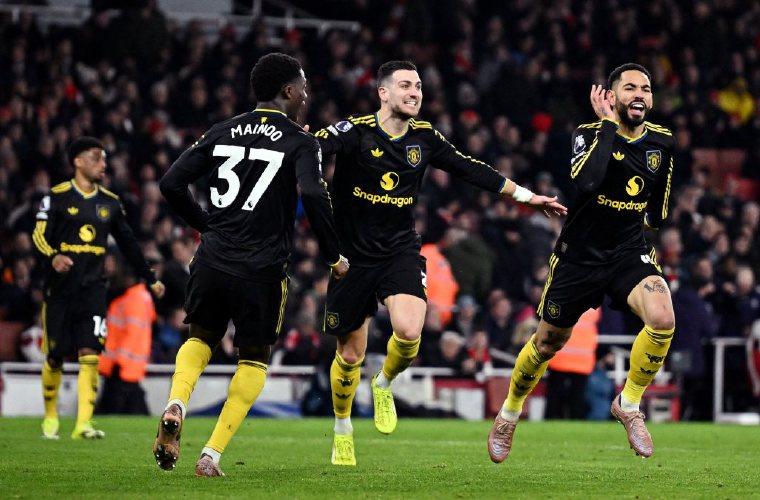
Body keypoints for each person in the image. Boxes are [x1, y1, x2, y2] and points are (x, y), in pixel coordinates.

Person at [314, 60, 566, 466]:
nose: (415, 92)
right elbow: (312, 149)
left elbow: (471, 169)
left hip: (399, 251)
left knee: (409, 332)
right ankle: (343, 428)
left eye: (418, 86)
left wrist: (526, 197)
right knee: (349, 355)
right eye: (405, 85)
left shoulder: (425, 137)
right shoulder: (354, 132)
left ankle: (384, 382)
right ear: (383, 93)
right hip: (352, 257)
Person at [153, 53, 348, 477]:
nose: (307, 96)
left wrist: (205, 225)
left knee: (201, 338)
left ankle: (177, 403)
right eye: (303, 88)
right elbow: (314, 195)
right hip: (262, 269)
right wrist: (333, 255)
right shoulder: (300, 141)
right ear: (288, 91)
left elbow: (170, 182)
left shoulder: (222, 129)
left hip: (212, 258)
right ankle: (211, 454)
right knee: (254, 359)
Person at [488, 63, 676, 462]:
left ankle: (629, 404)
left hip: (627, 253)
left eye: (645, 88)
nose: (639, 94)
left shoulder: (662, 143)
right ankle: (509, 413)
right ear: (611, 96)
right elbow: (587, 182)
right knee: (546, 343)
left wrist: (635, 231)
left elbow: (658, 213)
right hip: (579, 257)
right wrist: (607, 127)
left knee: (662, 318)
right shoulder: (588, 134)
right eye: (629, 88)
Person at [32, 136, 165, 440]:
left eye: (104, 158)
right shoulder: (56, 197)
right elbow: (38, 236)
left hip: (93, 290)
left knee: (90, 354)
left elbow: (129, 244)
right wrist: (53, 257)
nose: (103, 164)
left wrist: (150, 278)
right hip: (59, 290)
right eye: (96, 158)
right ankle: (50, 417)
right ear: (77, 161)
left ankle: (83, 424)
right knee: (54, 356)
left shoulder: (110, 202)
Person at [97, 254, 156, 415]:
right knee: (133, 407)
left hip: (121, 366)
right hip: (121, 366)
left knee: (112, 410)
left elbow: (133, 334)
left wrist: (119, 361)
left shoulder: (134, 300)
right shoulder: (131, 298)